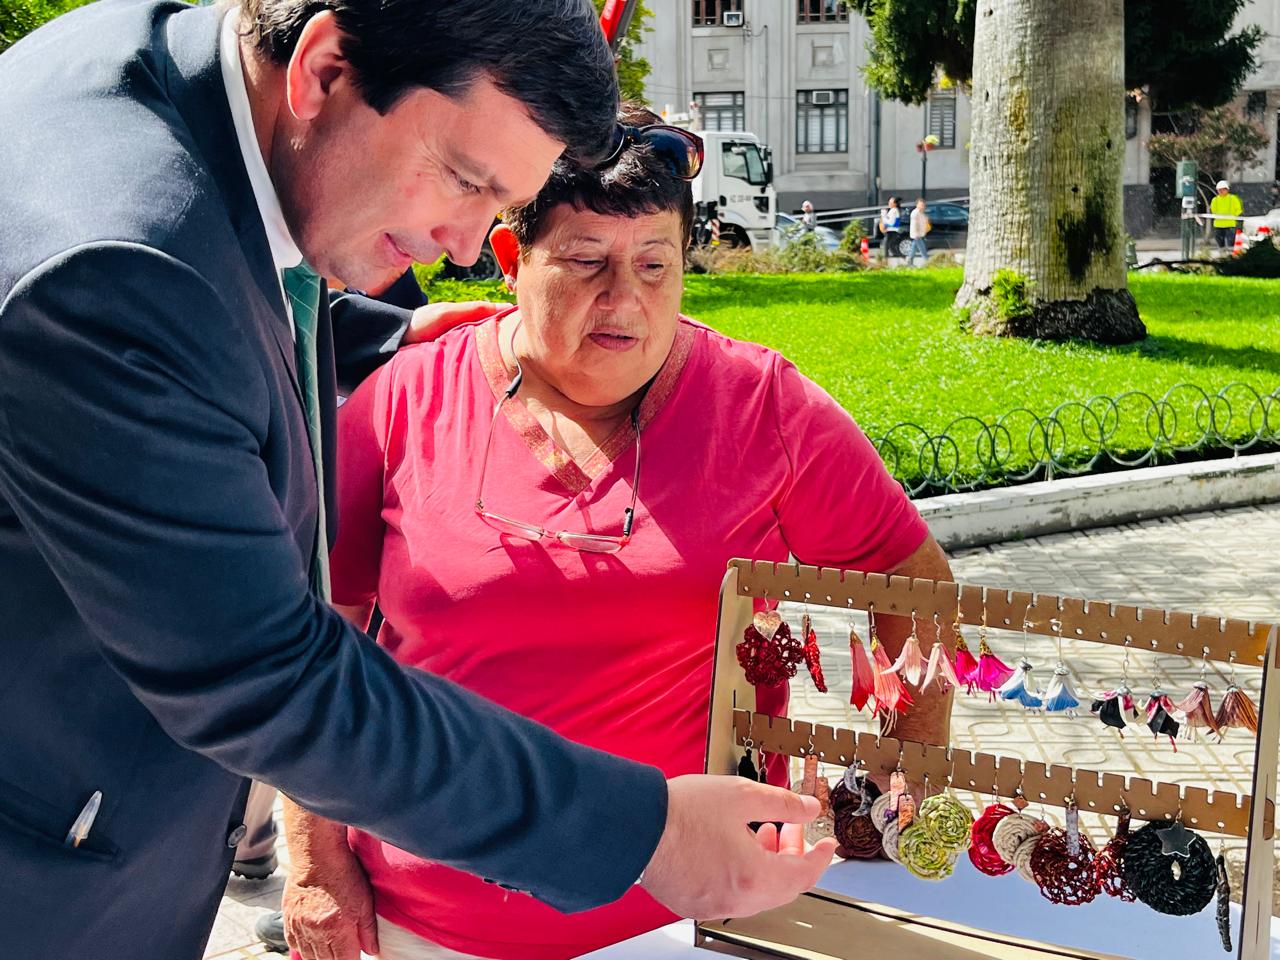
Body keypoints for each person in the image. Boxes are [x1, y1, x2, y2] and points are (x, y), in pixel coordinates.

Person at [0, 4, 829, 958]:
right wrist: (647, 833)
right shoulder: (120, 274)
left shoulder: (154, 65)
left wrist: (370, 332)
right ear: (324, 68)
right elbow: (271, 679)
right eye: (467, 180)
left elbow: (219, 260)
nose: (469, 246)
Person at [282, 101, 955, 960]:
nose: (624, 299)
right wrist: (315, 862)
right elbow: (315, 641)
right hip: (432, 921)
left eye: (654, 264)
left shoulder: (763, 407)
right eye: (586, 260)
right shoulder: (406, 401)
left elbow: (910, 579)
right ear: (510, 258)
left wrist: (907, 781)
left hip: (695, 921)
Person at [1210, 179, 1243, 250]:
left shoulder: (1233, 198)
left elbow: (1239, 209)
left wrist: (1233, 216)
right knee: (1219, 242)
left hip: (1230, 224)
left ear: (1227, 190)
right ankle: (1222, 252)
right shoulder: (1215, 200)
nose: (1221, 191)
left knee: (1231, 242)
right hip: (1218, 225)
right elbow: (1213, 210)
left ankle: (1230, 253)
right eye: (1219, 190)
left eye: (1223, 189)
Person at [908, 198, 931, 267]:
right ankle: (927, 262)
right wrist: (916, 234)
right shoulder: (915, 213)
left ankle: (909, 262)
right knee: (922, 248)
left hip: (920, 234)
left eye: (923, 205)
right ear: (917, 205)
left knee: (914, 248)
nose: (923, 206)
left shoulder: (921, 213)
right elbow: (914, 225)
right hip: (917, 235)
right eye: (921, 205)